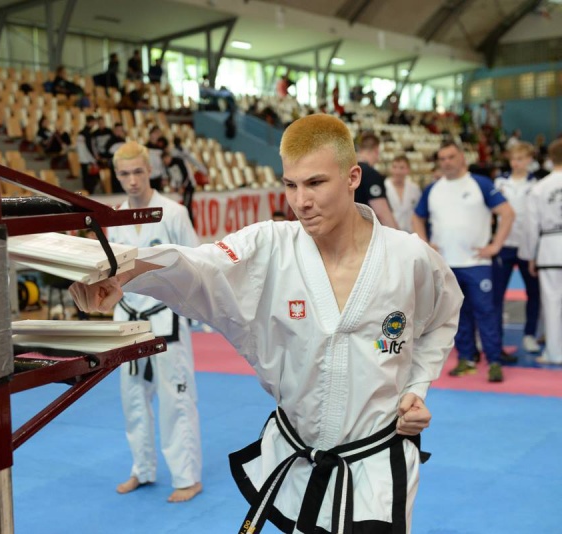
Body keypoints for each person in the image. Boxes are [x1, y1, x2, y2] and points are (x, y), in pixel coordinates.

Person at [71, 115, 463, 533]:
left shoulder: (408, 257)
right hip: (297, 455)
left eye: (315, 183)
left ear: (353, 178)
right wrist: (122, 270)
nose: (300, 201)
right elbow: (199, 266)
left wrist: (416, 387)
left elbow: (441, 319)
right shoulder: (271, 246)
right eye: (290, 185)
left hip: (377, 461)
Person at [104, 141, 203, 503]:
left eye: (138, 172)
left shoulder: (173, 213)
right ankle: (142, 469)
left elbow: (195, 263)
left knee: (176, 399)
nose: (132, 180)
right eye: (124, 174)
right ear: (117, 176)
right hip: (128, 320)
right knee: (132, 398)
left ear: (150, 171)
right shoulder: (114, 218)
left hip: (165, 318)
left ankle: (187, 476)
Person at [413, 141, 516, 382]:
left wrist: (496, 246)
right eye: (442, 158)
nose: (446, 162)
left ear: (462, 158)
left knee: (486, 312)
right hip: (445, 264)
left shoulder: (480, 184)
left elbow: (507, 213)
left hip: (476, 262)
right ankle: (467, 359)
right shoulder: (433, 189)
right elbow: (417, 217)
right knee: (456, 315)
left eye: (451, 157)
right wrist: (424, 242)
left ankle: (494, 361)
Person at [492, 141, 541, 354]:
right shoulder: (500, 182)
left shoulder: (536, 184)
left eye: (520, 159)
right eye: (513, 159)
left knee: (533, 292)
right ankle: (495, 337)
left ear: (529, 160)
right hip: (504, 244)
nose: (516, 163)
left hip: (528, 245)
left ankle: (529, 334)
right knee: (497, 294)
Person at [526, 138, 562, 365]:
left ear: (549, 159)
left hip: (550, 248)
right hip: (551, 243)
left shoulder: (539, 188)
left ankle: (554, 353)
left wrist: (531, 255)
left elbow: (532, 227)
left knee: (552, 302)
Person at [355, 132, 399, 228]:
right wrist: (399, 234)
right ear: (376, 150)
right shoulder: (371, 174)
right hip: (365, 229)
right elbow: (382, 213)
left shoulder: (348, 170)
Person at [384, 155, 421, 232]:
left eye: (401, 168)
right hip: (388, 231)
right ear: (391, 169)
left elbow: (417, 213)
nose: (397, 171)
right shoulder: (384, 187)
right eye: (394, 167)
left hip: (409, 232)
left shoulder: (414, 189)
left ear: (408, 170)